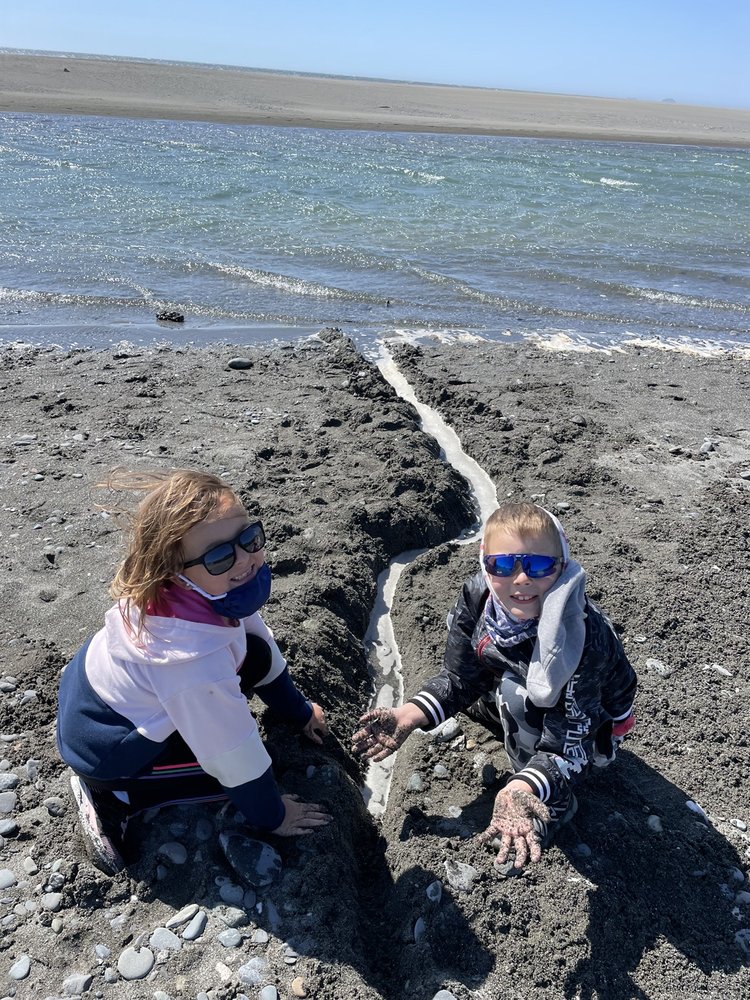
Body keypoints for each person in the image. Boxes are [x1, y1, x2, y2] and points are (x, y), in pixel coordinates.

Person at [57, 469, 331, 875]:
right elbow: (233, 758)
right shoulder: (187, 659)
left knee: (251, 660)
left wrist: (300, 712)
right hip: (105, 745)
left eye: (249, 538)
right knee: (252, 771)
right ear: (176, 573)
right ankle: (114, 797)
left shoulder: (213, 595)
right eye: (220, 556)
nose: (245, 560)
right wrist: (274, 816)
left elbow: (261, 650)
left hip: (106, 694)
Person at [353, 502, 636, 869]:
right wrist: (408, 714)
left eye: (539, 565)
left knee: (516, 698)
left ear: (562, 565)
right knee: (478, 692)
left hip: (588, 727)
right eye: (502, 565)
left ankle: (554, 803)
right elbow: (460, 677)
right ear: (485, 564)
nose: (521, 579)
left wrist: (522, 786)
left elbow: (569, 744)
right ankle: (519, 737)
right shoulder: (480, 597)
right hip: (515, 676)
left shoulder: (581, 638)